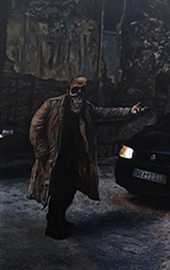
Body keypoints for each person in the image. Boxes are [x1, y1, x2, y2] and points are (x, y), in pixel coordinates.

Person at [28, 75, 143, 239]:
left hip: (76, 159)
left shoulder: (86, 108)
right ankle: (53, 226)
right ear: (69, 89)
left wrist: (129, 111)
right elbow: (35, 126)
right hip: (56, 158)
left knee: (69, 191)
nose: (79, 94)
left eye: (83, 90)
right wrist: (42, 151)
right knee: (58, 192)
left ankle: (60, 220)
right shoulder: (52, 105)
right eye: (76, 89)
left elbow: (105, 112)